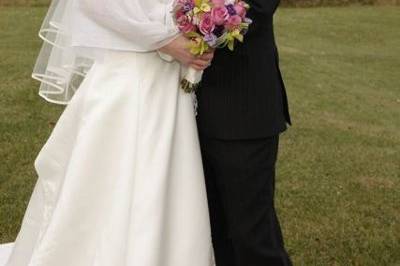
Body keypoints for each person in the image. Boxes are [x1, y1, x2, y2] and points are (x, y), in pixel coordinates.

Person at [6, 0, 215, 265]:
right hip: (127, 78)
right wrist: (165, 41)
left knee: (168, 173)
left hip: (168, 81)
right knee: (108, 171)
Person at [196, 0, 293, 265]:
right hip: (180, 113)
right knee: (210, 234)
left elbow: (256, 9)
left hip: (242, 108)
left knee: (251, 236)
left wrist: (186, 25)